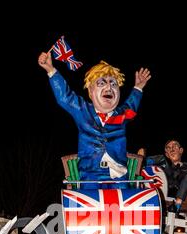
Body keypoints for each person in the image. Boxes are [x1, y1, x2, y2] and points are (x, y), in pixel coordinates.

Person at [38, 51, 151, 187]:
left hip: (119, 175)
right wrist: (51, 70)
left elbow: (131, 106)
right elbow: (65, 97)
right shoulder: (82, 110)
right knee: (90, 202)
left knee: (123, 201)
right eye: (101, 83)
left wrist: (138, 87)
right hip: (89, 175)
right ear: (91, 91)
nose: (109, 87)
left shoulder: (122, 115)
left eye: (113, 84)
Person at [138, 140, 187, 213]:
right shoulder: (164, 163)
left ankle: (177, 204)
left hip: (180, 188)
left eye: (175, 147)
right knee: (160, 160)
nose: (172, 150)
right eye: (169, 148)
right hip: (166, 185)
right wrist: (143, 160)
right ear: (167, 154)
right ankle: (142, 159)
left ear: (181, 150)